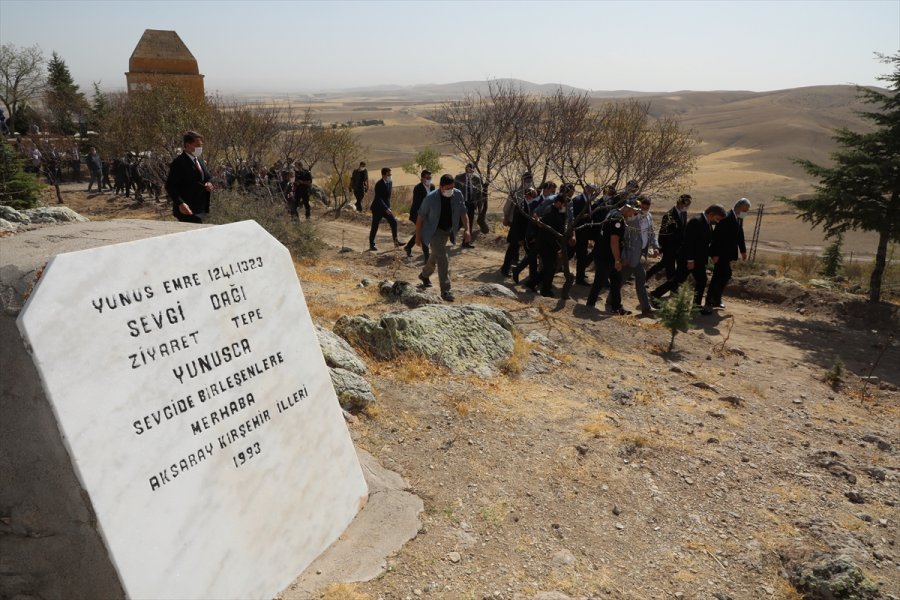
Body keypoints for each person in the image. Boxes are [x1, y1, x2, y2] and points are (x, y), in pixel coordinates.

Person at [651, 204, 727, 307]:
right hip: (688, 259)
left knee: (701, 281)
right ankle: (655, 294)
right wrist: (690, 260)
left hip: (698, 260)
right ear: (711, 214)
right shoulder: (696, 221)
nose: (717, 221)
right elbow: (688, 242)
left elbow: (706, 242)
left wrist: (713, 254)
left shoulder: (707, 222)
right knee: (677, 280)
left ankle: (696, 306)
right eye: (717, 218)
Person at [415, 174, 470, 302]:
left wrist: (467, 230)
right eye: (447, 188)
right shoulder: (430, 198)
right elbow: (420, 218)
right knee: (443, 258)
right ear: (441, 187)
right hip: (434, 231)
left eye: (452, 187)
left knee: (435, 255)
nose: (450, 190)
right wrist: (418, 237)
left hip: (448, 230)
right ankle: (445, 290)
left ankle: (424, 275)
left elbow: (464, 213)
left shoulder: (458, 194)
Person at [586, 199, 640, 314]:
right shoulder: (618, 220)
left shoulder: (613, 212)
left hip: (604, 253)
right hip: (607, 256)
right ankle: (590, 305)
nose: (633, 215)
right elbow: (614, 241)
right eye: (633, 212)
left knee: (616, 281)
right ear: (628, 208)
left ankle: (616, 307)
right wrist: (617, 260)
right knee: (600, 281)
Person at [705, 198, 750, 313]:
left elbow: (740, 234)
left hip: (727, 254)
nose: (746, 213)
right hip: (720, 254)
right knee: (722, 276)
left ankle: (714, 299)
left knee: (721, 276)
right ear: (739, 208)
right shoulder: (726, 217)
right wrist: (714, 254)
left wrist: (743, 250)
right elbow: (717, 237)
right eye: (745, 210)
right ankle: (712, 299)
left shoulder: (738, 218)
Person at [165, 131, 213, 224]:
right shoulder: (178, 163)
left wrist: (208, 183)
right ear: (188, 145)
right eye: (197, 145)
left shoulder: (199, 159)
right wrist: (180, 203)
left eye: (201, 145)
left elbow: (206, 177)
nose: (200, 148)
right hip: (187, 210)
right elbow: (170, 186)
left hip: (201, 208)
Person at [536, 193, 574, 298]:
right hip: (546, 244)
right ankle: (545, 291)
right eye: (564, 205)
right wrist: (559, 248)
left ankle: (532, 283)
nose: (565, 207)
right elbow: (551, 233)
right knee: (550, 268)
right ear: (558, 203)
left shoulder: (558, 212)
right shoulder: (550, 212)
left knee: (550, 267)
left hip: (550, 244)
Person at [647, 194, 692, 282]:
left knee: (669, 267)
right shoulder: (669, 215)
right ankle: (645, 277)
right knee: (665, 264)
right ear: (680, 203)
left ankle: (670, 287)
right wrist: (660, 247)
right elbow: (663, 233)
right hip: (669, 247)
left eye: (688, 205)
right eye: (686, 205)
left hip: (678, 247)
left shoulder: (684, 213)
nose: (687, 207)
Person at [368, 167, 401, 251]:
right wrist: (386, 208)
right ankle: (371, 245)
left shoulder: (390, 182)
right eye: (388, 174)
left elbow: (387, 198)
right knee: (375, 226)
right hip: (377, 208)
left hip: (386, 208)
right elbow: (379, 198)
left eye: (391, 174)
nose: (390, 176)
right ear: (383, 175)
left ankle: (396, 242)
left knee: (393, 222)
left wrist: (388, 207)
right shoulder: (379, 184)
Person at [405, 170, 434, 259]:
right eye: (427, 177)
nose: (429, 179)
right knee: (423, 232)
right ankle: (426, 256)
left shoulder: (432, 187)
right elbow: (418, 204)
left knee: (421, 232)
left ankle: (408, 247)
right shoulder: (418, 188)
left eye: (430, 177)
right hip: (417, 213)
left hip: (427, 214)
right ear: (422, 178)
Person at [454, 163, 483, 248]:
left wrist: (479, 206)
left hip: (471, 203)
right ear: (466, 169)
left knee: (469, 222)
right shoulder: (459, 178)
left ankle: (466, 242)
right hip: (462, 203)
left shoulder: (477, 179)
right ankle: (452, 235)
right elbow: (455, 191)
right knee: (459, 222)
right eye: (469, 169)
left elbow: (479, 193)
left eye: (472, 169)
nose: (470, 171)